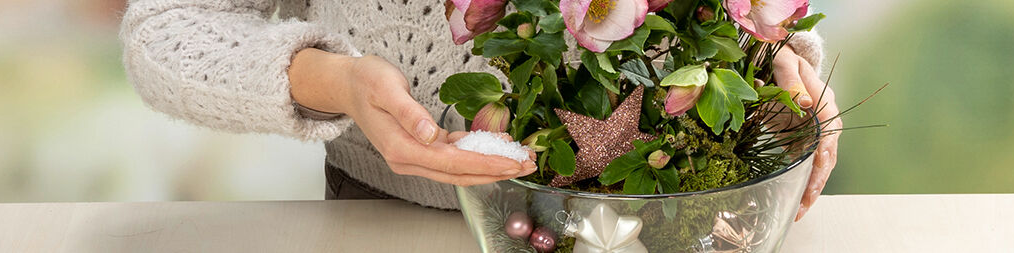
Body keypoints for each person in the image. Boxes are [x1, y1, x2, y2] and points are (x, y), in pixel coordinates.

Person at [119, 0, 841, 220]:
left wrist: (774, 55)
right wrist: (338, 82)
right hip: (393, 223)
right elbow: (167, 27)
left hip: (666, 211)